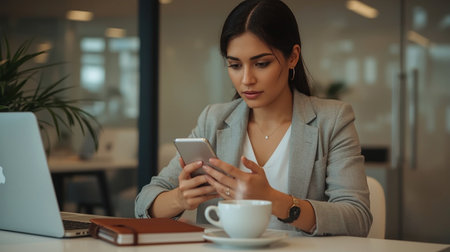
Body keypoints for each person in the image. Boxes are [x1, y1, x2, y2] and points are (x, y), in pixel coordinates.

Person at [135, 0, 372, 237]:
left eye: (261, 64)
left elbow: (357, 217)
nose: (246, 79)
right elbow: (143, 202)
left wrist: (273, 199)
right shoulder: (213, 119)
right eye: (235, 65)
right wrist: (180, 198)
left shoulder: (332, 121)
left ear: (292, 57)